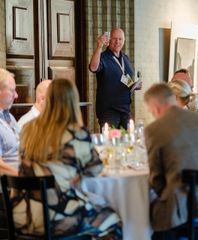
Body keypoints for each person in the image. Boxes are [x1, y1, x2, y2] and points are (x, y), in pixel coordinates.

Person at [16, 79, 122, 238]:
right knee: (114, 219)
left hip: (24, 213)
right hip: (58, 218)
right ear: (73, 101)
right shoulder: (76, 133)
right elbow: (95, 169)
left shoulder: (28, 128)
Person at [144, 83, 198, 235]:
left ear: (155, 108)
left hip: (184, 213)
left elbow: (157, 179)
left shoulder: (154, 129)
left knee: (143, 211)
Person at [89, 28, 140, 129]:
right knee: (110, 144)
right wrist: (99, 47)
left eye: (120, 39)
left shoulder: (125, 58)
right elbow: (93, 67)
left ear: (124, 41)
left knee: (129, 142)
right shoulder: (102, 57)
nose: (117, 42)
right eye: (114, 39)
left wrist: (134, 85)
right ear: (108, 40)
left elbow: (125, 79)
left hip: (126, 110)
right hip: (109, 112)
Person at [0, 68, 19, 175]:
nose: (16, 96)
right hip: (9, 186)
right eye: (12, 90)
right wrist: (25, 178)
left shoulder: (10, 117)